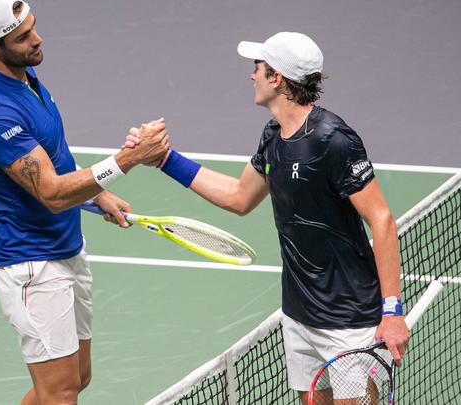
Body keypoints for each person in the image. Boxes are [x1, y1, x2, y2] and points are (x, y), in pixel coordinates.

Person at [125, 32, 409, 403]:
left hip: (348, 318)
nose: (251, 75)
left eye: (257, 68)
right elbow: (239, 197)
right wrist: (164, 160)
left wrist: (392, 312)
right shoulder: (274, 134)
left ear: (277, 78)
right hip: (299, 313)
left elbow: (383, 220)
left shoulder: (333, 140)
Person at [0, 0, 169, 405]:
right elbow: (52, 193)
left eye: (34, 28)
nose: (36, 40)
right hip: (31, 262)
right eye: (22, 38)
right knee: (60, 394)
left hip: (65, 246)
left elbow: (54, 163)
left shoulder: (25, 77)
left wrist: (97, 196)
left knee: (77, 377)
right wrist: (125, 161)